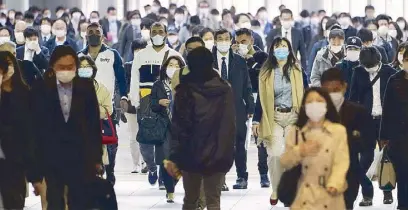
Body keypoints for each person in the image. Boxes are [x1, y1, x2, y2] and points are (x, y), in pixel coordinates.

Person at [31, 45, 101, 210]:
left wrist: (96, 158)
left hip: (80, 156)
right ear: (53, 67)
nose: (66, 71)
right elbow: (35, 128)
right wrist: (34, 170)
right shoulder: (41, 88)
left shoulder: (86, 87)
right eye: (61, 67)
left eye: (70, 67)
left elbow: (93, 125)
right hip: (52, 157)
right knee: (55, 202)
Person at [165, 47, 235, 210]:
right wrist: (227, 152)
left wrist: (175, 154)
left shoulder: (184, 90)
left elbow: (178, 126)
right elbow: (229, 124)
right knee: (213, 200)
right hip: (218, 153)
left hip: (191, 153)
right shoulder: (224, 89)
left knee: (191, 199)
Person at [129, 22, 182, 187]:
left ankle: (162, 173)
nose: (157, 34)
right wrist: (135, 100)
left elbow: (182, 77)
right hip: (145, 101)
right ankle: (151, 166)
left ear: (166, 33)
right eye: (154, 31)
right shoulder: (141, 55)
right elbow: (134, 78)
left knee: (164, 139)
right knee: (145, 140)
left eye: (160, 31)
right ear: (150, 34)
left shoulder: (173, 55)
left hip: (167, 101)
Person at [252, 36, 304, 205]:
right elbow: (261, 99)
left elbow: (308, 93)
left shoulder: (297, 70)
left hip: (294, 117)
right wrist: (255, 121)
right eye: (277, 46)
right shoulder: (266, 72)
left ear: (289, 49)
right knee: (274, 155)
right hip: (272, 117)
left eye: (284, 46)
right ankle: (276, 188)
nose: (281, 49)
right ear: (272, 50)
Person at [280, 87, 349, 210]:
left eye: (319, 101)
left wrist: (335, 183)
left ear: (327, 105)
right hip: (304, 196)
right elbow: (285, 162)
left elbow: (342, 162)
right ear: (304, 106)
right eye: (310, 102)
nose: (314, 105)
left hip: (330, 194)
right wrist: (300, 151)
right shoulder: (296, 132)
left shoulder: (338, 131)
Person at [77, 22, 128, 186]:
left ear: (103, 35)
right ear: (85, 35)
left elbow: (121, 78)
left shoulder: (112, 54)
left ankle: (110, 170)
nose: (93, 34)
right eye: (90, 31)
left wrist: (124, 97)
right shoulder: (79, 56)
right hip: (84, 107)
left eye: (96, 32)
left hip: (107, 106)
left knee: (110, 140)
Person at [321, 68, 375, 210]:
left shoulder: (358, 112)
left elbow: (368, 141)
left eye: (336, 88)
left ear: (344, 87)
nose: (333, 93)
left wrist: (351, 140)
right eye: (329, 89)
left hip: (349, 172)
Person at [349, 46, 396, 206]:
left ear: (379, 61)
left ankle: (387, 192)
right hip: (366, 122)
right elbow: (353, 98)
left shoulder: (390, 72)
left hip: (385, 120)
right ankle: (367, 194)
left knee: (387, 158)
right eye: (366, 67)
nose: (369, 70)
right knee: (365, 159)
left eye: (372, 66)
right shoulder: (358, 72)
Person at [0, 51, 42, 210]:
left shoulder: (23, 95)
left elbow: (29, 136)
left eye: (7, 65)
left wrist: (35, 176)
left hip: (13, 164)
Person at [213, 28, 254, 190]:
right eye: (220, 39)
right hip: (213, 109)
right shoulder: (208, 61)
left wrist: (250, 105)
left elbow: (247, 86)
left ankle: (242, 176)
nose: (223, 41)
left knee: (239, 142)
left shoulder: (239, 61)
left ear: (231, 41)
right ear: (216, 42)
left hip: (236, 107)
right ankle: (219, 179)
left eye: (226, 39)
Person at [233, 28, 270, 188]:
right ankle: (242, 176)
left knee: (260, 138)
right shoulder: (233, 59)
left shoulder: (261, 56)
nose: (240, 45)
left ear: (251, 41)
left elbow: (265, 74)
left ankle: (263, 174)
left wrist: (249, 59)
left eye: (244, 42)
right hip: (240, 101)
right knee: (240, 140)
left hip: (259, 98)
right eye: (237, 42)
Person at [151, 56, 185, 203]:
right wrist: (159, 102)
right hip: (164, 128)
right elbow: (152, 105)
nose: (173, 68)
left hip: (182, 128)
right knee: (166, 160)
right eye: (170, 65)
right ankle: (170, 190)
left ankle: (173, 183)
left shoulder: (185, 84)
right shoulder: (158, 85)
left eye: (177, 65)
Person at [380, 48, 408, 210]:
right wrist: (384, 136)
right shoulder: (394, 79)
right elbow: (387, 109)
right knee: (403, 174)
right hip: (399, 137)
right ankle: (403, 205)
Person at [77, 55, 111, 167]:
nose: (84, 69)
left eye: (87, 66)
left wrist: (92, 109)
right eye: (81, 67)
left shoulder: (101, 89)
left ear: (93, 69)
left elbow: (108, 110)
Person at [124, 39, 148, 174]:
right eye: (136, 49)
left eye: (142, 49)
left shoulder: (150, 67)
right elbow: (125, 84)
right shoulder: (128, 66)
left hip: (146, 103)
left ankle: (145, 162)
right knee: (133, 135)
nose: (139, 52)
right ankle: (135, 164)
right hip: (131, 103)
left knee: (145, 133)